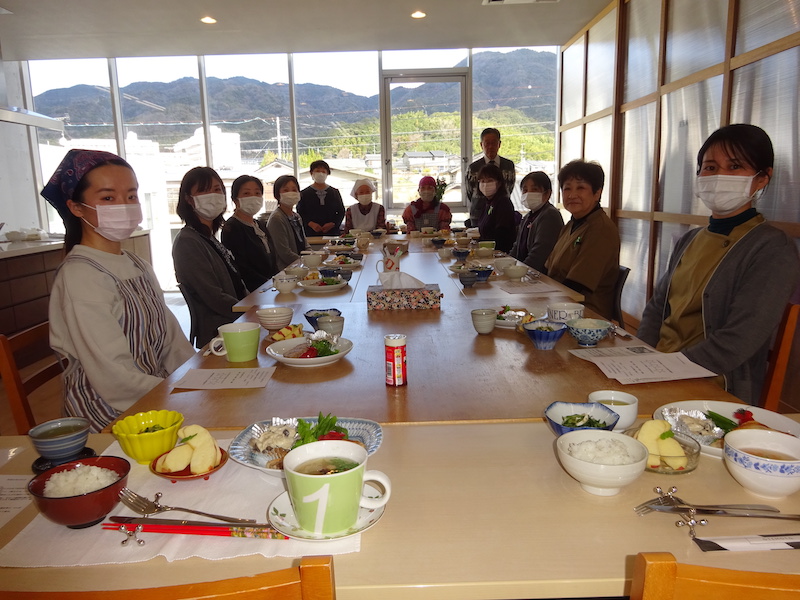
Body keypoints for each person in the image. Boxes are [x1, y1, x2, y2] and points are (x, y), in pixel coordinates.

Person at [638, 124, 800, 405]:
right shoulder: (689, 239)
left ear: (762, 178)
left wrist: (664, 368)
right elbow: (656, 309)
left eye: (735, 166)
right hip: (658, 370)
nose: (719, 176)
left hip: (714, 386)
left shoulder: (772, 248)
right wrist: (640, 355)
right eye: (710, 167)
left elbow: (738, 341)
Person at [43, 149, 194, 431]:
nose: (123, 206)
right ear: (76, 207)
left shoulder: (138, 264)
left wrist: (198, 378)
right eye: (108, 198)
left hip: (155, 394)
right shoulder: (81, 276)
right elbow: (114, 378)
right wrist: (181, 396)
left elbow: (172, 342)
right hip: (111, 415)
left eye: (131, 196)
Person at [172, 166, 247, 349]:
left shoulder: (208, 236)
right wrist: (249, 310)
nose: (213, 195)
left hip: (238, 320)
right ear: (188, 199)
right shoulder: (188, 241)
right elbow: (213, 296)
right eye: (204, 191)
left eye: (217, 189)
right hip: (220, 331)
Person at [543, 160, 619, 319]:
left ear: (597, 193)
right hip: (559, 301)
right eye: (567, 188)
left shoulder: (601, 229)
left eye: (581, 188)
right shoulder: (571, 224)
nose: (572, 195)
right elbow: (547, 270)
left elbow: (576, 285)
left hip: (585, 314)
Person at [221, 175, 278, 292]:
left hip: (272, 287)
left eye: (257, 193)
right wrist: (268, 285)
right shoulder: (232, 228)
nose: (253, 197)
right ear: (235, 199)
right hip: (254, 292)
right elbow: (241, 268)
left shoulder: (260, 225)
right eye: (246, 193)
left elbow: (272, 260)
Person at [509, 171, 564, 272]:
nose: (528, 194)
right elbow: (516, 247)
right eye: (525, 190)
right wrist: (507, 264)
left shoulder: (550, 215)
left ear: (547, 194)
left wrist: (520, 272)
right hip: (523, 272)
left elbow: (539, 254)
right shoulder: (528, 217)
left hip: (539, 275)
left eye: (534, 189)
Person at [465, 128, 516, 226]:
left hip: (502, 213)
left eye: (494, 143)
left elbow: (510, 187)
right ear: (481, 145)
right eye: (487, 143)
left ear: (499, 144)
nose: (490, 147)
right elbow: (470, 192)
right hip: (478, 213)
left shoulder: (509, 165)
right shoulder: (473, 168)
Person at [267, 174, 311, 271]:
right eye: (286, 190)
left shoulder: (296, 216)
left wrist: (313, 257)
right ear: (277, 194)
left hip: (301, 267)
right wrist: (304, 262)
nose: (291, 193)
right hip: (286, 270)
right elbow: (284, 253)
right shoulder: (277, 218)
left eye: (294, 190)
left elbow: (305, 244)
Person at [475, 163, 516, 253]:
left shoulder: (503, 203)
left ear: (499, 183)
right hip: (487, 251)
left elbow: (501, 235)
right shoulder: (487, 202)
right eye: (482, 181)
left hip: (500, 254)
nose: (485, 184)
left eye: (490, 180)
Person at [297, 160, 345, 237]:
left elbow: (341, 211)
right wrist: (310, 224)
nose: (321, 173)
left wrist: (333, 223)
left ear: (327, 174)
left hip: (332, 233)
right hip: (310, 233)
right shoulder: (304, 193)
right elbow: (300, 212)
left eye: (323, 171)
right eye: (317, 171)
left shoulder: (334, 192)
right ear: (311, 173)